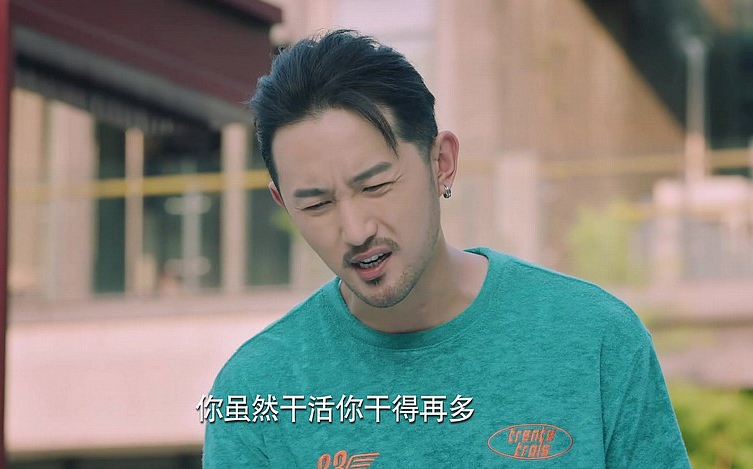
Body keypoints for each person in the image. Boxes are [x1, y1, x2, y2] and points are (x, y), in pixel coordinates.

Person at [201, 29, 690, 468]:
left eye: (376, 186)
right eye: (317, 204)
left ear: (442, 163)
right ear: (283, 203)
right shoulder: (257, 391)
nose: (354, 230)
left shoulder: (595, 339)